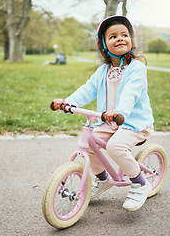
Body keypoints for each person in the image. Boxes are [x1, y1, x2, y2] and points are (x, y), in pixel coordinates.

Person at [52, 16, 154, 211]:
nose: (120, 38)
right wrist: (68, 102)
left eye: (125, 35)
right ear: (104, 45)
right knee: (90, 145)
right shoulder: (103, 71)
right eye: (113, 36)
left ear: (131, 40)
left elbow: (130, 93)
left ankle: (141, 183)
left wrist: (119, 111)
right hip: (109, 121)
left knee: (116, 147)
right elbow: (87, 89)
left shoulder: (136, 69)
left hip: (133, 123)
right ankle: (102, 179)